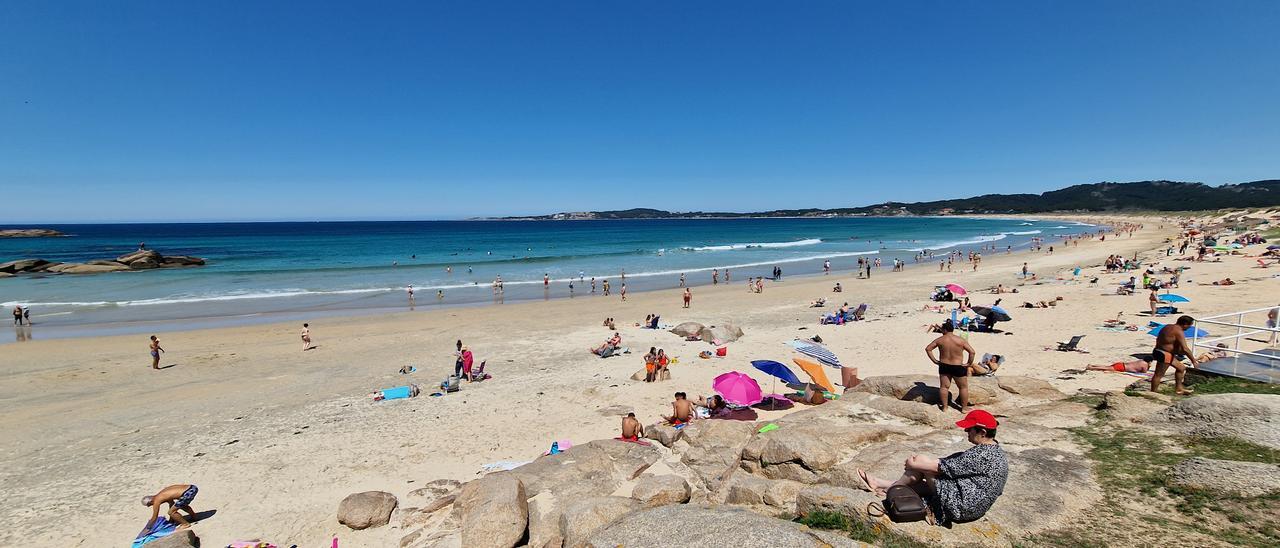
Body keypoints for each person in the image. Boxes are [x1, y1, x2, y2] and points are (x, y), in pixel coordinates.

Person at [857, 410, 1008, 527]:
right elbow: (951, 465)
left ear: (982, 432)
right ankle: (883, 484)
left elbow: (939, 467)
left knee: (923, 464)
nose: (965, 432)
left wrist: (913, 464)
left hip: (961, 506)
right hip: (974, 504)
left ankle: (892, 489)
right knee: (927, 468)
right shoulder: (995, 451)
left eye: (969, 429)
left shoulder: (980, 455)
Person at [925, 320, 976, 413]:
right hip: (958, 366)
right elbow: (972, 352)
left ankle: (945, 407)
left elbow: (928, 349)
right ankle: (964, 408)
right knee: (963, 387)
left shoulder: (940, 340)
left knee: (944, 387)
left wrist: (935, 361)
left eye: (942, 329)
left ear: (944, 330)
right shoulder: (960, 340)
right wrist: (969, 363)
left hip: (944, 365)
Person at [1151, 315, 1199, 395]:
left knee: (1181, 368)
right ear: (1185, 324)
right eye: (1189, 326)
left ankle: (1179, 389)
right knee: (1158, 375)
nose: (1189, 328)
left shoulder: (1167, 326)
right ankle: (1153, 393)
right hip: (1164, 353)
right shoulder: (1178, 331)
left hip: (1159, 351)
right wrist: (1194, 361)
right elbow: (1185, 348)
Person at [1087, 359, 1151, 373]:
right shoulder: (1145, 364)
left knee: (1107, 366)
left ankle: (1093, 365)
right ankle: (1091, 368)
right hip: (1122, 368)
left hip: (1121, 364)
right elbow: (1144, 372)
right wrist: (1149, 366)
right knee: (1105, 368)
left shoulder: (1140, 360)